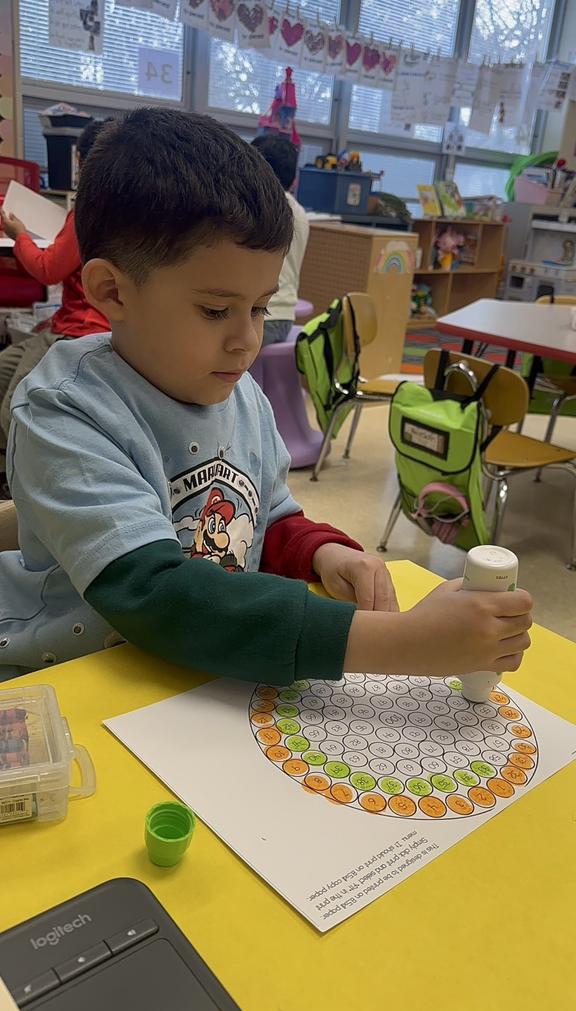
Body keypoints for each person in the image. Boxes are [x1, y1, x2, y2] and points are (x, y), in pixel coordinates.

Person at [0, 108, 532, 685]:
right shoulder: (65, 411)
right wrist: (402, 643)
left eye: (259, 307)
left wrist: (322, 553)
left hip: (199, 674)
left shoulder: (239, 395)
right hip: (74, 681)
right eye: (215, 310)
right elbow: (153, 594)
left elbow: (265, 515)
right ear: (111, 291)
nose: (248, 340)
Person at [0, 119, 110, 493]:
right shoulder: (117, 210)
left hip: (78, 331)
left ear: (82, 161)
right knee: (5, 371)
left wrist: (19, 237)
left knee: (13, 410)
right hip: (68, 325)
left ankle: (20, 489)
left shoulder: (90, 212)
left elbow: (49, 269)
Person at [251, 133, 309, 346]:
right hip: (285, 316)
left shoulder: (255, 206)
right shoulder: (300, 213)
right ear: (294, 181)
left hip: (261, 317)